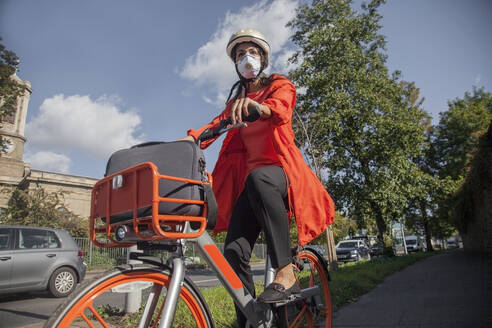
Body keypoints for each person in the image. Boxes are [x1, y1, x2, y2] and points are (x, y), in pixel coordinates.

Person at [182, 29, 335, 326]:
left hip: (282, 179)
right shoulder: (234, 104)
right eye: (239, 55)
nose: (245, 58)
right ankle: (250, 319)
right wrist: (187, 141)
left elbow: (281, 109)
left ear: (262, 58)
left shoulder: (279, 85)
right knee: (233, 252)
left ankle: (286, 272)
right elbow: (210, 129)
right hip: (254, 189)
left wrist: (259, 107)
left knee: (260, 178)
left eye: (251, 52)